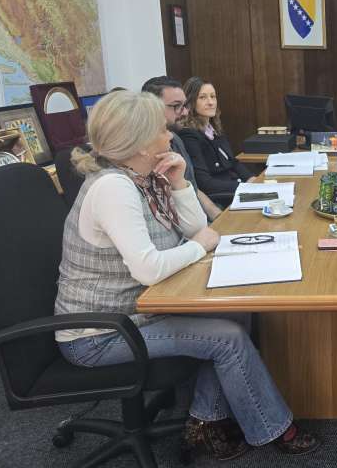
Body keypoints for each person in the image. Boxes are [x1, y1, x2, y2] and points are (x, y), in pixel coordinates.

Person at [54, 91, 320, 460]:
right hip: (100, 333)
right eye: (161, 129)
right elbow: (151, 266)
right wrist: (199, 246)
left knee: (236, 311)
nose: (170, 134)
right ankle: (274, 427)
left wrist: (180, 183)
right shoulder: (113, 188)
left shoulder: (143, 175)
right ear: (139, 143)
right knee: (227, 338)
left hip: (140, 309)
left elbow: (197, 227)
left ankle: (205, 420)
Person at [142, 76, 221, 221]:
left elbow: (192, 187)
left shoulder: (176, 140)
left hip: (197, 220)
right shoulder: (144, 153)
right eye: (176, 106)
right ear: (152, 108)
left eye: (184, 105)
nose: (184, 112)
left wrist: (217, 215)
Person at [178, 77, 257, 199]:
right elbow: (204, 183)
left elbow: (233, 162)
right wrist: (244, 186)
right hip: (222, 197)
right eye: (202, 97)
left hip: (237, 188)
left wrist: (252, 179)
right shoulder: (189, 135)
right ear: (190, 102)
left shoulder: (213, 129)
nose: (210, 102)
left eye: (213, 96)